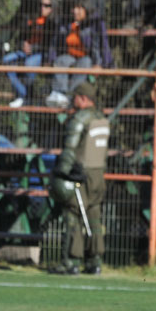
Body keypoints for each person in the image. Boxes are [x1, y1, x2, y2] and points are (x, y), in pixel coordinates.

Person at [49, 81, 109, 274]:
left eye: (75, 96)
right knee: (94, 217)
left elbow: (70, 150)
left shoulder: (80, 119)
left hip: (80, 174)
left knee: (73, 214)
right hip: (98, 174)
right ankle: (95, 261)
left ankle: (72, 261)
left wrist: (61, 173)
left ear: (83, 99)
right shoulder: (102, 118)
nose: (73, 100)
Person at [46, 0, 112, 108]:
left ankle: (72, 96)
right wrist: (49, 60)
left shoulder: (95, 22)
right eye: (73, 8)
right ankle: (59, 93)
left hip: (87, 56)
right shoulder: (66, 22)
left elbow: (102, 44)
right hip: (70, 55)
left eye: (79, 8)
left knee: (85, 63)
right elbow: (55, 42)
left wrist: (101, 64)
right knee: (61, 60)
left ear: (86, 8)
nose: (75, 11)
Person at [3, 0, 59, 108]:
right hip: (25, 51)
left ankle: (27, 97)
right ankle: (22, 94)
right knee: (6, 61)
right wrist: (22, 44)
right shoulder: (31, 18)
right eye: (41, 4)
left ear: (53, 7)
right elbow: (20, 37)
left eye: (46, 5)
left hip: (41, 53)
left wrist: (33, 48)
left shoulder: (54, 23)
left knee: (29, 64)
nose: (42, 8)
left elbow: (51, 45)